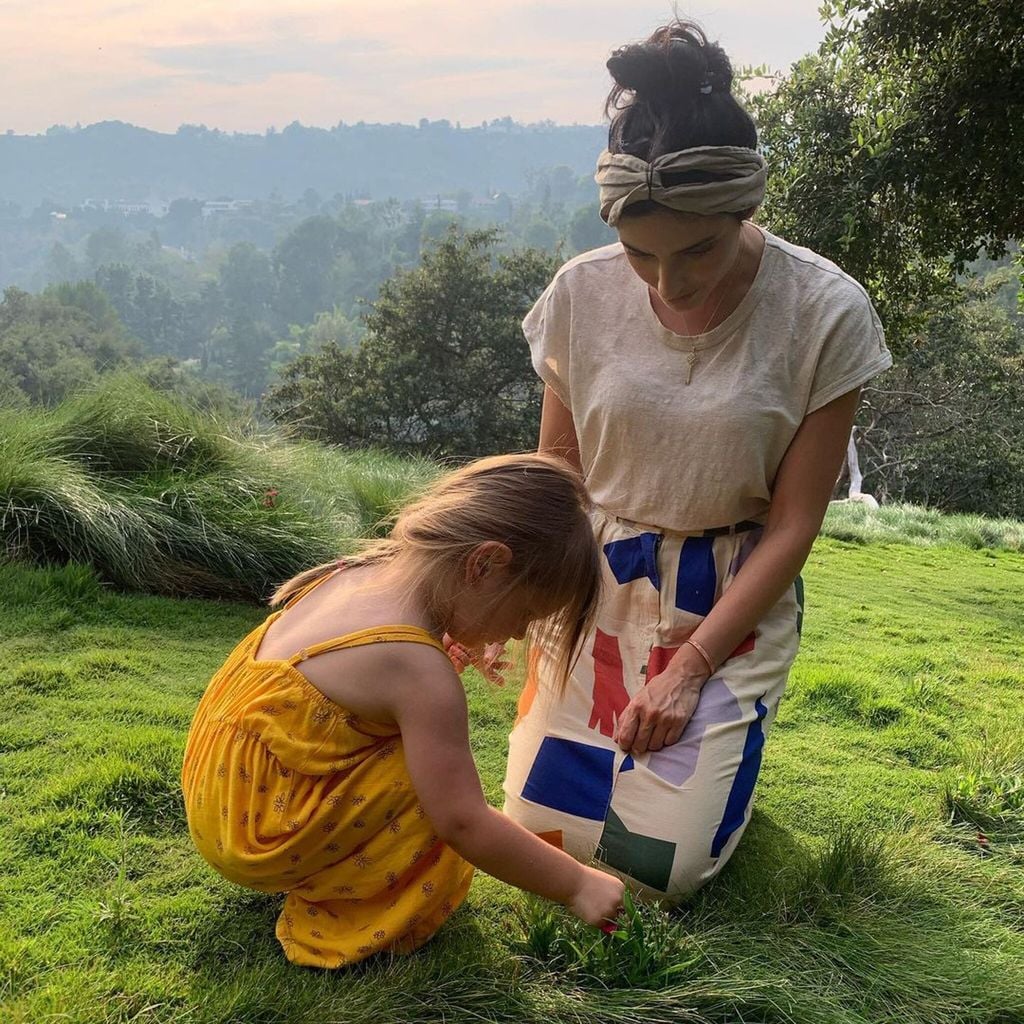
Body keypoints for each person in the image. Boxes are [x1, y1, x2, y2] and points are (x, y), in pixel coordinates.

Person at [502, 21, 893, 901]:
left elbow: (795, 524)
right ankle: (683, 762)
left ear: (744, 210)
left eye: (698, 251)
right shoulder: (579, 293)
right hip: (596, 577)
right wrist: (511, 596)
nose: (667, 284)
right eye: (642, 253)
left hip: (728, 592)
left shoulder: (824, 312)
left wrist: (688, 668)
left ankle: (725, 754)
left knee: (658, 872)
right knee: (541, 832)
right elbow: (555, 480)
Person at [181, 454, 625, 969]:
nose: (521, 633)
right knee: (435, 793)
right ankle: (350, 922)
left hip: (219, 796)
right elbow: (463, 823)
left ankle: (327, 867)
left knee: (422, 756)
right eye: (526, 613)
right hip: (260, 836)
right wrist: (578, 884)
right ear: (484, 564)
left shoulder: (360, 572)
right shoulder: (417, 669)